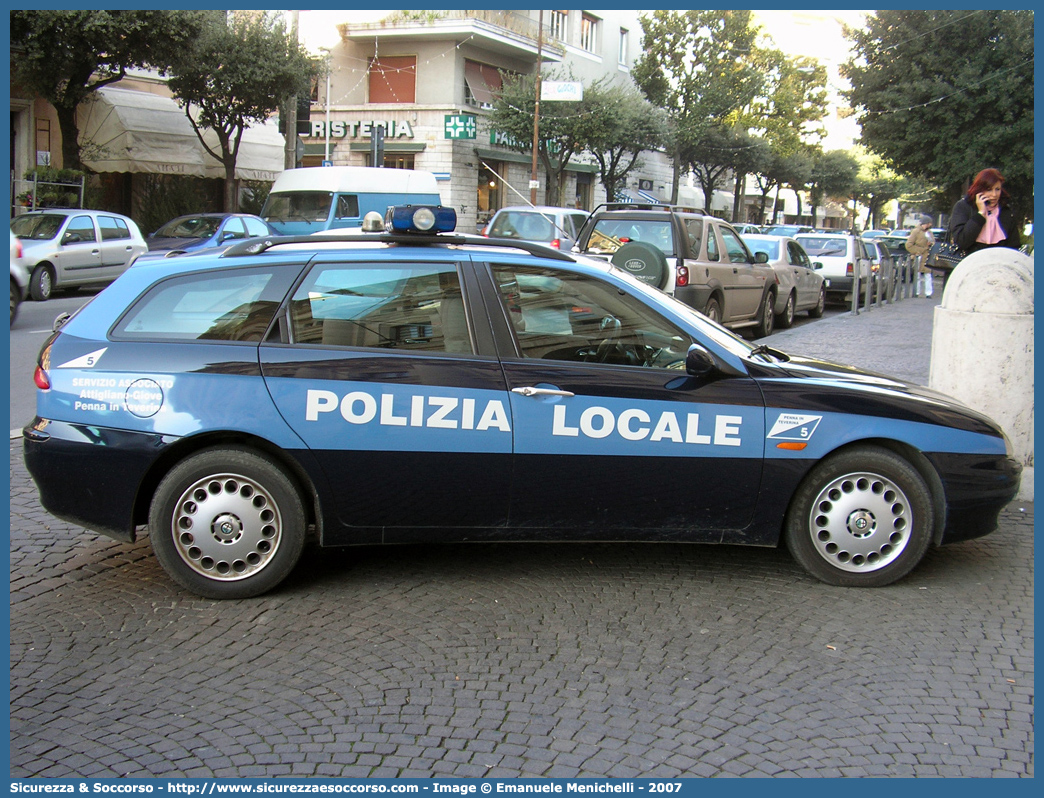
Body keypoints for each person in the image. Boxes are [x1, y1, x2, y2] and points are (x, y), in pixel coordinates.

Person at [949, 168, 1022, 254]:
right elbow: (962, 242)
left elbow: (1014, 247)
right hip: (969, 263)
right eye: (989, 189)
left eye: (997, 189)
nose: (994, 195)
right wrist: (981, 214)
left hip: (998, 263)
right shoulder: (964, 207)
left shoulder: (1005, 211)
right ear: (979, 190)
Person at [904, 215, 935, 297]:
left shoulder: (929, 232)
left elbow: (933, 243)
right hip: (918, 256)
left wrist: (931, 244)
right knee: (917, 275)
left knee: (928, 274)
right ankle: (916, 292)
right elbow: (909, 245)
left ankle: (928, 293)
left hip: (927, 256)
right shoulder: (915, 232)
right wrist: (918, 251)